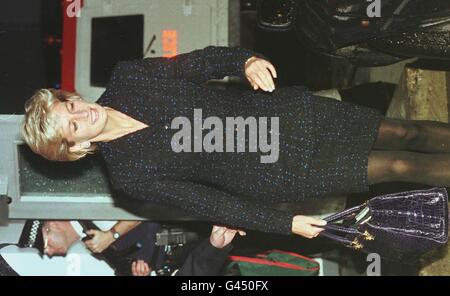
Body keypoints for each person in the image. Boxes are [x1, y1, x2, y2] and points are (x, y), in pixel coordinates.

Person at [21, 46, 450, 239]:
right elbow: (216, 206)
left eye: (69, 107)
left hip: (294, 115)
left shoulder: (130, 78)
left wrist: (243, 61)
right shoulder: (131, 174)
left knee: (403, 132)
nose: (80, 116)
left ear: (70, 97)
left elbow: (202, 62)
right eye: (72, 128)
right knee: (396, 167)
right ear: (75, 148)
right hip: (283, 173)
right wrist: (288, 224)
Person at [37, 219, 163, 275]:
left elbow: (143, 208)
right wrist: (140, 272)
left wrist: (111, 235)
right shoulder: (92, 243)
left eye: (45, 245)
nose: (48, 252)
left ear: (52, 225)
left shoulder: (92, 213)